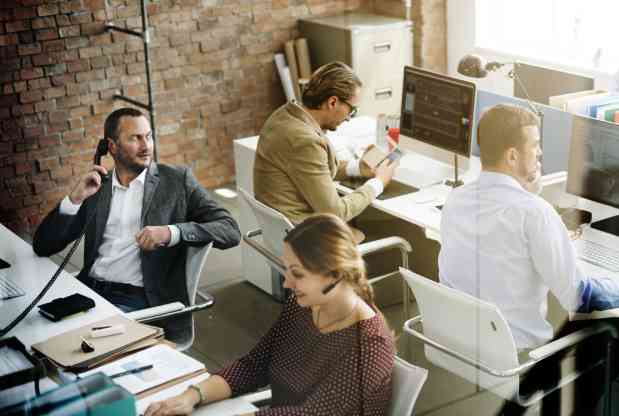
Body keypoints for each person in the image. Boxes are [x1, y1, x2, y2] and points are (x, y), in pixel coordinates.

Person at [437, 104, 619, 415]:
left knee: (562, 312)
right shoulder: (533, 213)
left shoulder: (457, 199)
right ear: (511, 156)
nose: (540, 154)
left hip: (467, 350)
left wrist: (527, 191)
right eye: (534, 146)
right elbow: (582, 296)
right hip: (518, 361)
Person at [144, 214, 395, 416]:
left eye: (297, 274)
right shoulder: (303, 307)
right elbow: (254, 365)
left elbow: (312, 413)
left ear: (336, 274)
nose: (286, 283)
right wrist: (191, 396)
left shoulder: (371, 345)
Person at [32, 108, 241, 339]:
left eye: (148, 136)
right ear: (111, 147)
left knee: (80, 346)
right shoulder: (97, 186)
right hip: (88, 290)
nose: (146, 146)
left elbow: (230, 229)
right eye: (135, 138)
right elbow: (43, 246)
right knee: (36, 336)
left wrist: (171, 233)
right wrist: (74, 199)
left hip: (136, 299)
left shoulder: (176, 181)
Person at [253, 61, 399, 242]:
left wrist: (358, 168)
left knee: (358, 225)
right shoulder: (305, 140)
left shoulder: (284, 115)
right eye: (351, 110)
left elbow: (314, 170)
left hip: (281, 231)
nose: (348, 118)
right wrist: (379, 183)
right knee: (382, 233)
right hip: (303, 240)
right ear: (332, 102)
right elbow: (336, 212)